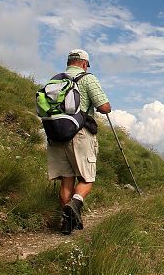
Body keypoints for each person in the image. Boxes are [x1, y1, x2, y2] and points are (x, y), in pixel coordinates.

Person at [46, 48, 111, 235]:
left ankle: (67, 224)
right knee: (87, 178)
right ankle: (74, 203)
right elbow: (104, 107)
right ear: (84, 64)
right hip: (80, 135)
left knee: (66, 181)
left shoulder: (56, 79)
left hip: (57, 135)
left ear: (68, 62)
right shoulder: (88, 78)